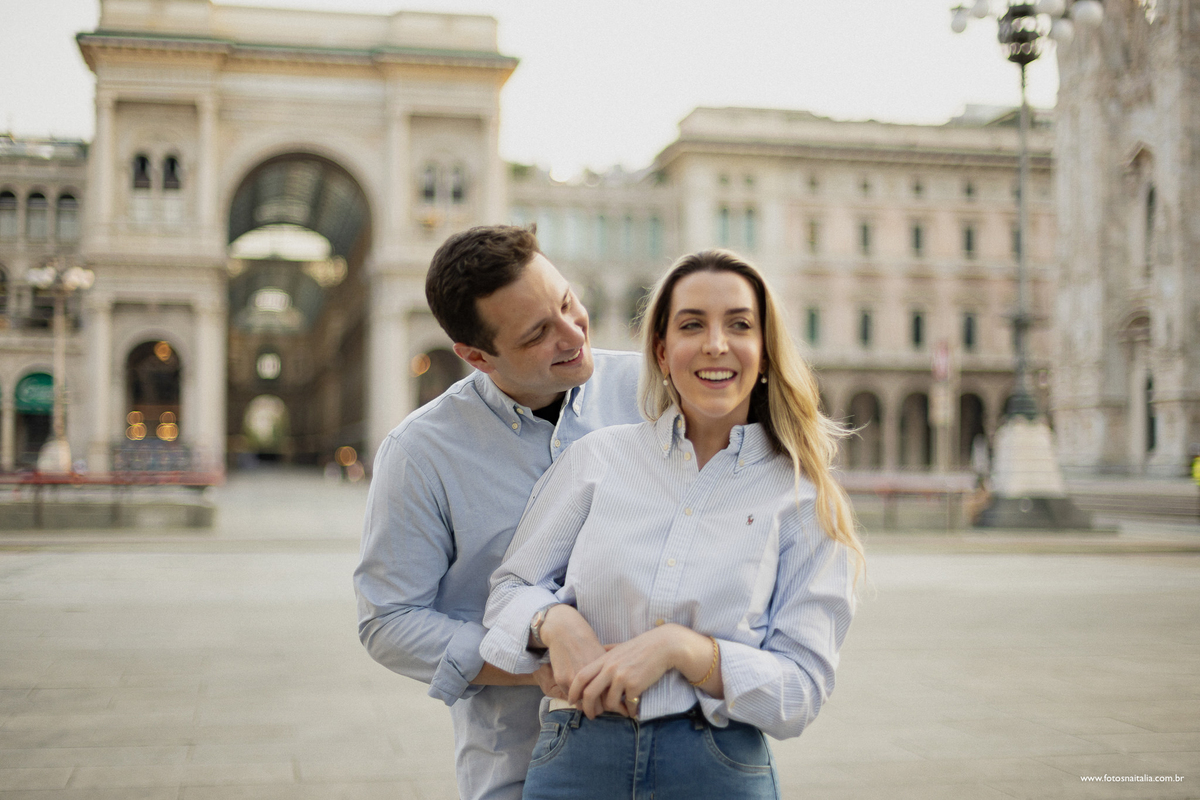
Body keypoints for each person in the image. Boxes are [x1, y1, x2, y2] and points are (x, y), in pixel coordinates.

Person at [480, 250, 864, 800]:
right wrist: (554, 623)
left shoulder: (805, 499)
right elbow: (508, 592)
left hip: (718, 767)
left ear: (765, 353)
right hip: (576, 757)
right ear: (662, 351)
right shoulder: (598, 459)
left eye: (739, 325)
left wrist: (684, 650)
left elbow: (801, 692)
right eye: (692, 325)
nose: (715, 343)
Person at [354, 225, 643, 800]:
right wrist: (531, 661)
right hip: (519, 765)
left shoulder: (654, 392)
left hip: (674, 747)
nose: (573, 334)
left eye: (566, 302)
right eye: (538, 333)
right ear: (475, 356)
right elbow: (387, 621)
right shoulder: (419, 453)